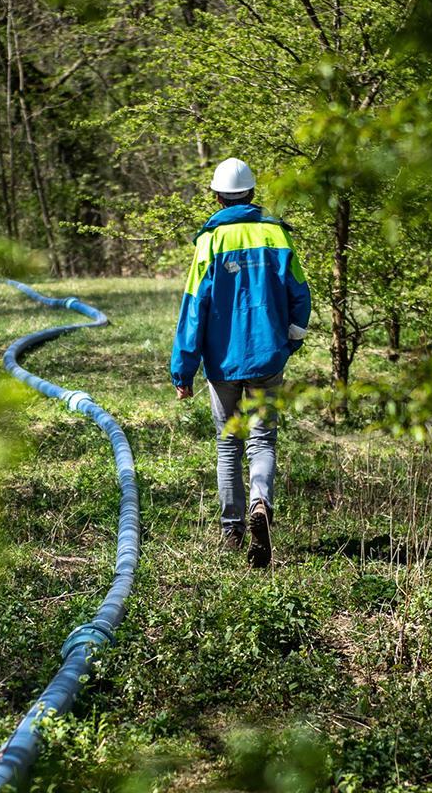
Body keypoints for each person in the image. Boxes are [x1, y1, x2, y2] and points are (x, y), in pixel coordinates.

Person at [170, 158, 312, 569]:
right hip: (269, 356)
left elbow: (194, 308)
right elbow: (300, 296)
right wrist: (290, 343)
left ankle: (233, 529)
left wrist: (184, 370)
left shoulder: (210, 241)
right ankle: (260, 504)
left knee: (228, 443)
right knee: (263, 439)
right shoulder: (276, 233)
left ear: (216, 196)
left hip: (223, 363)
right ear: (251, 194)